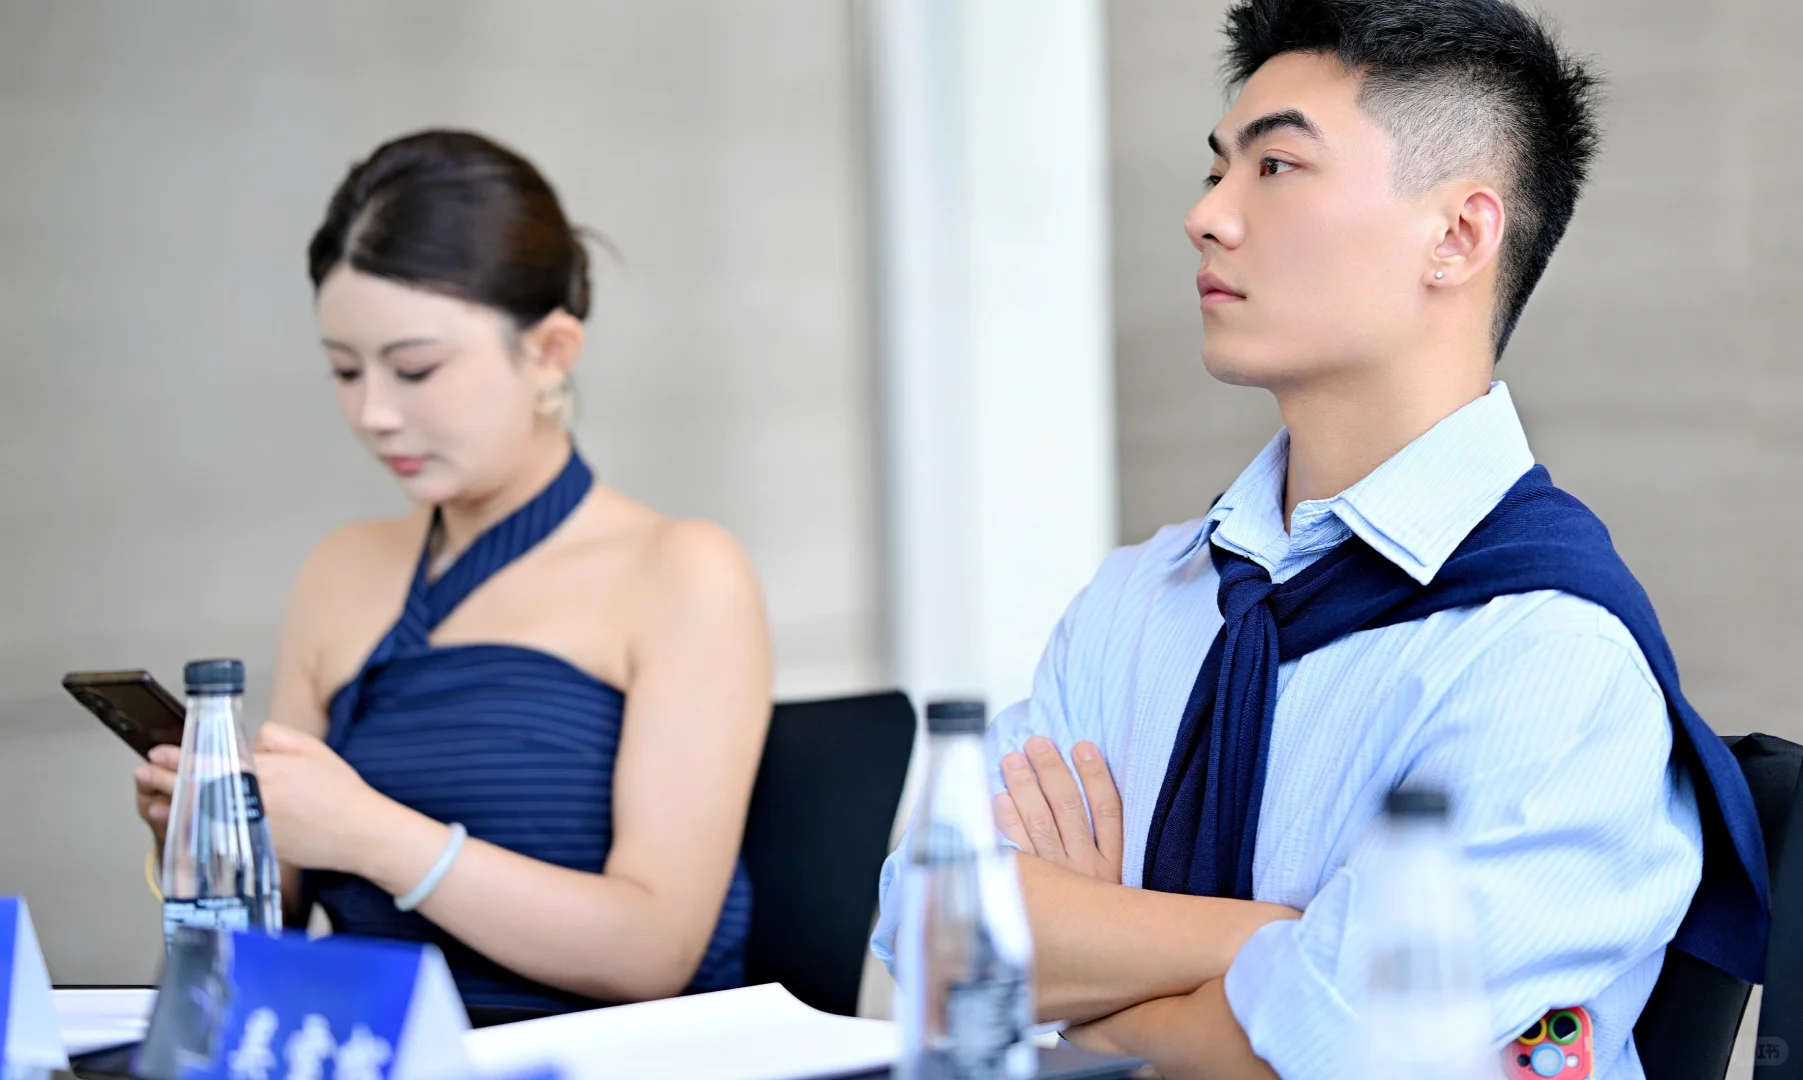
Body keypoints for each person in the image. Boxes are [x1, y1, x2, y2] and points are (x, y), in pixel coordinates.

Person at [871, 1, 1770, 1077]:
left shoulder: (1547, 661)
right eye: (1217, 170)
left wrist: (1096, 965)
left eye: (1278, 169)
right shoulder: (1139, 601)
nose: (1208, 215)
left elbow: (1356, 1049)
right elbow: (933, 935)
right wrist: (1294, 945)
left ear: (1457, 236)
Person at [134, 129, 773, 1013]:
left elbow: (655, 949)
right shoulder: (341, 570)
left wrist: (372, 835)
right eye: (344, 371)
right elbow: (265, 935)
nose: (374, 413)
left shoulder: (682, 573)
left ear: (550, 352)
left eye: (415, 368)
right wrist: (211, 844)